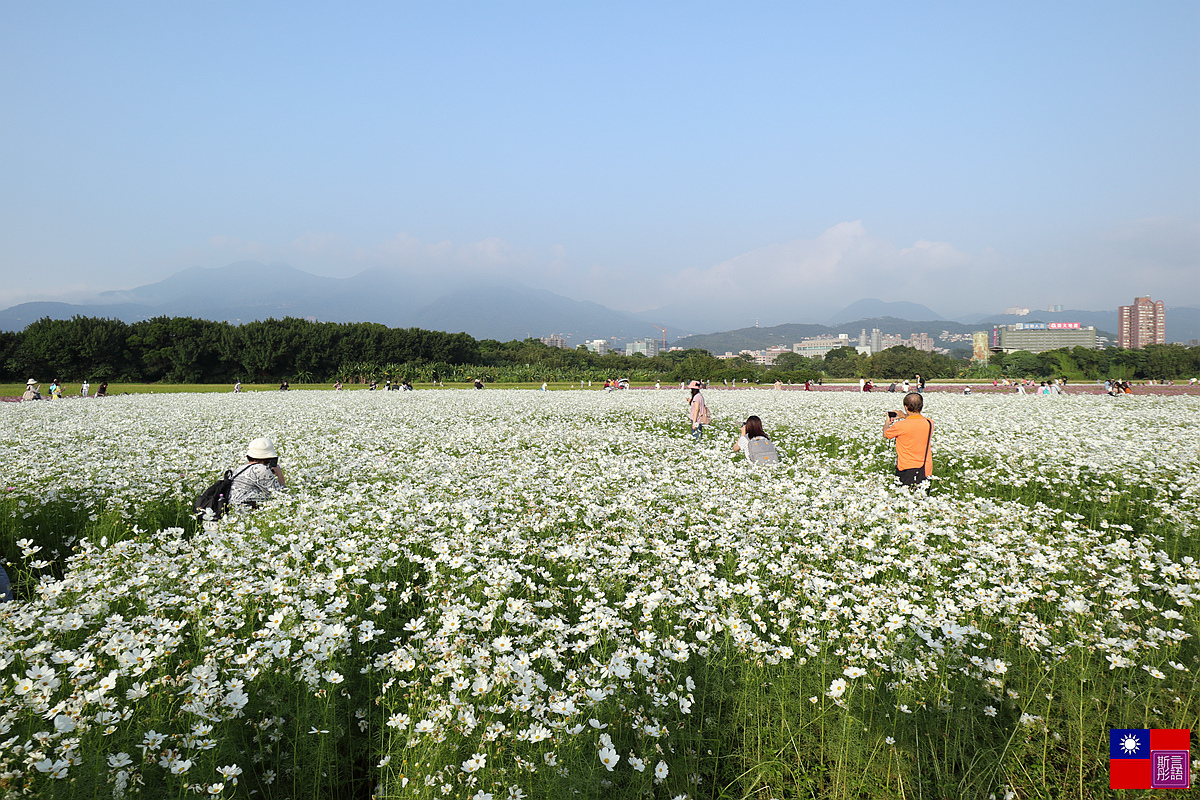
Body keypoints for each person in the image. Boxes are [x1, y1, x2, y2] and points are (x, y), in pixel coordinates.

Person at [883, 392, 933, 487]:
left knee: (906, 497)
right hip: (925, 469)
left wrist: (887, 423)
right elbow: (916, 421)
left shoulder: (900, 426)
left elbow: (886, 434)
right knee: (922, 498)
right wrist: (905, 416)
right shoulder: (929, 423)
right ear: (921, 406)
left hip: (907, 469)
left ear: (906, 407)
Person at [229, 437, 287, 509]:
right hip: (244, 511)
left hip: (231, 509)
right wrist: (279, 474)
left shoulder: (240, 468)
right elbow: (281, 495)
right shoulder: (261, 469)